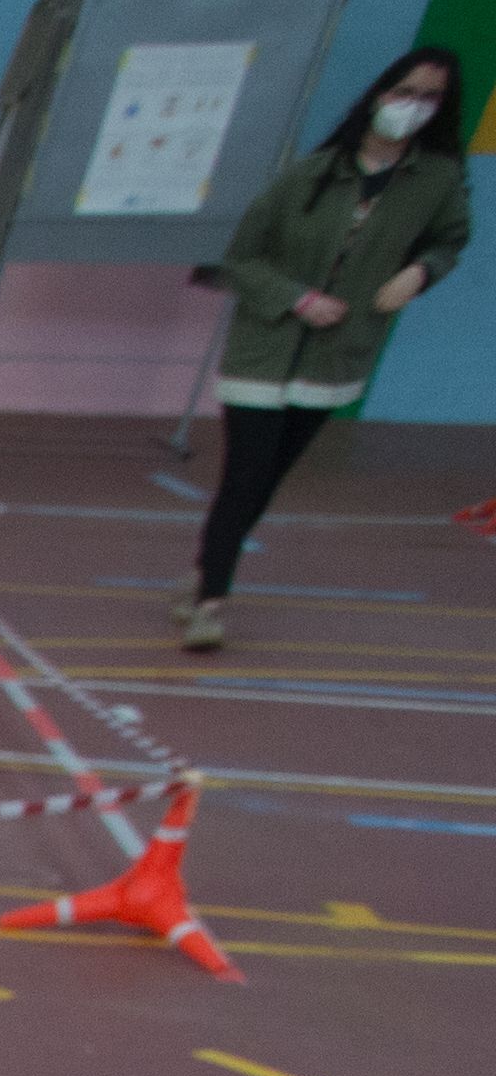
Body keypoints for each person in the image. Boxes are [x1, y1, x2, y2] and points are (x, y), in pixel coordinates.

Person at [184, 46, 468, 651]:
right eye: (404, 92)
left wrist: (419, 272)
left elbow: (450, 240)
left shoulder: (438, 181)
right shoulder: (309, 175)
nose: (412, 107)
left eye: (429, 98)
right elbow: (241, 258)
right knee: (246, 476)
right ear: (378, 94)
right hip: (264, 352)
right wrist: (296, 298)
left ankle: (205, 572)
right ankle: (210, 602)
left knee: (267, 481)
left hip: (335, 359)